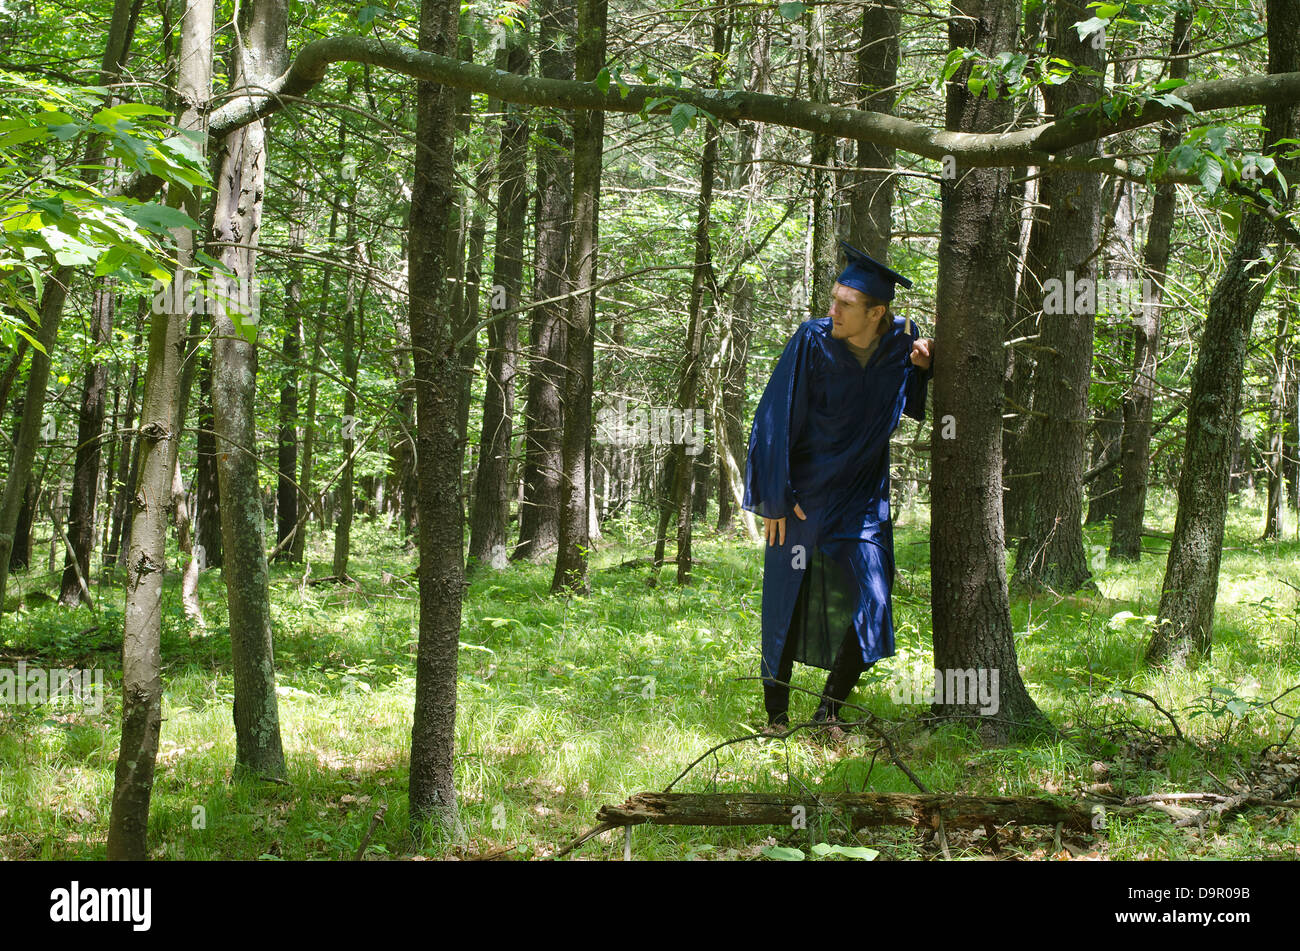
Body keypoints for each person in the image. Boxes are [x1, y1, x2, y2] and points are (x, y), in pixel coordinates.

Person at [742, 239, 933, 736]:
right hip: (804, 499)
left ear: (878, 312)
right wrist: (777, 499)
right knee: (787, 596)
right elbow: (774, 418)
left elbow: (909, 404)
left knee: (874, 598)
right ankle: (776, 719)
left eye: (845, 305)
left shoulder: (902, 341)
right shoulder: (812, 340)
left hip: (862, 501)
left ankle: (829, 712)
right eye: (832, 300)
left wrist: (924, 367)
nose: (833, 311)